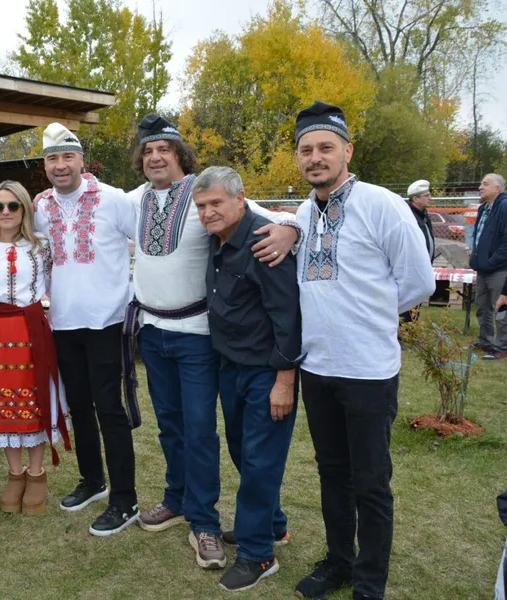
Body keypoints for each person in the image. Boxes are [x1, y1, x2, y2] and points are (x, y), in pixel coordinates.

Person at [125, 114, 301, 570]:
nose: (155, 157)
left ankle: (204, 522)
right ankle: (177, 498)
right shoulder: (134, 200)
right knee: (170, 425)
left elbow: (270, 217)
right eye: (148, 150)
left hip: (199, 335)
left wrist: (293, 228)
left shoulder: (205, 193)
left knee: (200, 429)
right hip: (153, 331)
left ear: (180, 154)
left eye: (164, 149)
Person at [292, 101, 435, 600]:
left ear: (347, 151)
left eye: (326, 147)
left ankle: (370, 583)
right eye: (306, 149)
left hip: (369, 370)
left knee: (371, 481)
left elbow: (419, 281)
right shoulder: (303, 213)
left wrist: (369, 316)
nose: (316, 157)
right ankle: (339, 561)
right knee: (332, 473)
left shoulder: (383, 204)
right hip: (317, 368)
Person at [195, 166, 302, 592]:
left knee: (260, 461)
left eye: (216, 203)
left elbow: (288, 316)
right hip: (231, 367)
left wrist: (284, 381)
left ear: (241, 199)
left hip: (266, 372)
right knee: (244, 451)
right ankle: (272, 524)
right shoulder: (216, 240)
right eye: (202, 206)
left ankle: (258, 553)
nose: (208, 212)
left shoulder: (264, 242)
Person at [33, 122, 140, 536]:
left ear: (81, 160)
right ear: (45, 165)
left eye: (67, 157)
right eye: (52, 159)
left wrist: (137, 294)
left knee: (109, 409)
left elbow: (149, 245)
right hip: (63, 321)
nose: (60, 165)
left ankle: (125, 499)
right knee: (78, 406)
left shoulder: (113, 199)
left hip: (107, 321)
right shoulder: (42, 207)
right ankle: (93, 480)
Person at [0, 180, 71, 514]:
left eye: (13, 205)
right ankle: (15, 475)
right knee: (2, 404)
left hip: (32, 330)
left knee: (34, 399)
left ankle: (37, 474)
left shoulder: (42, 246)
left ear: (25, 209)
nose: (6, 212)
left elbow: (59, 285)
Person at [469, 173, 507, 359]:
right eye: (480, 184)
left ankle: (502, 347)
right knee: (482, 307)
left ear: (497, 188)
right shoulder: (483, 208)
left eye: (485, 184)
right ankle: (485, 341)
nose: (480, 187)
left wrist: (492, 261)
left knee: (501, 307)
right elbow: (478, 236)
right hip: (482, 268)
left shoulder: (504, 206)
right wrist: (476, 259)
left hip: (499, 269)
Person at [400, 179, 436, 325]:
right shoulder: (408, 217)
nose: (430, 198)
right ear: (415, 198)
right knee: (408, 305)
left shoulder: (424, 215)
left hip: (423, 267)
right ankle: (404, 331)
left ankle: (412, 330)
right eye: (426, 195)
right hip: (412, 269)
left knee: (416, 304)